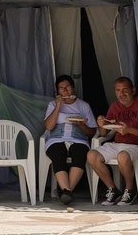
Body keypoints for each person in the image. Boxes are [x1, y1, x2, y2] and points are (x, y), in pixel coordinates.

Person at [87, 76, 138, 206]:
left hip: (136, 145)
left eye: (125, 90)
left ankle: (130, 190)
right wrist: (102, 123)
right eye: (118, 90)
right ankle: (113, 189)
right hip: (117, 144)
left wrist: (130, 130)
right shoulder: (115, 107)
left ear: (133, 90)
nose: (122, 94)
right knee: (92, 155)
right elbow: (104, 133)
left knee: (123, 156)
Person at [41, 75, 97, 205]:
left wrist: (82, 125)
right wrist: (58, 106)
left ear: (74, 88)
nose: (66, 91)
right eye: (62, 89)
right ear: (58, 92)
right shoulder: (53, 104)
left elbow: (92, 131)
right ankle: (67, 191)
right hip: (56, 139)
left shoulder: (83, 106)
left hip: (79, 140)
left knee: (80, 153)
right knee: (57, 153)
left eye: (68, 87)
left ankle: (65, 191)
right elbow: (49, 126)